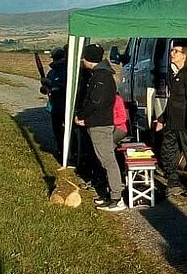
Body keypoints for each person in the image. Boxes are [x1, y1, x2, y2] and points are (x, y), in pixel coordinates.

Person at [73, 44, 126, 212]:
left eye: (83, 58)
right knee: (105, 160)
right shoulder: (102, 75)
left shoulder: (101, 77)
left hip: (100, 125)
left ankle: (117, 199)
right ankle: (111, 195)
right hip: (98, 124)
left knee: (108, 161)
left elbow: (95, 102)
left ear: (89, 59)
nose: (81, 60)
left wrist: (82, 116)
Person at [154, 42, 187, 194]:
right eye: (172, 50)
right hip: (172, 121)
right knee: (167, 152)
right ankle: (173, 183)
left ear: (185, 55)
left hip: (185, 122)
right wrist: (161, 119)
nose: (172, 53)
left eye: (176, 51)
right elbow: (172, 101)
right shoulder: (176, 75)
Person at [41, 47, 69, 158]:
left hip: (65, 105)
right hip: (55, 106)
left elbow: (65, 86)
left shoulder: (67, 71)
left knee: (65, 131)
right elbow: (44, 90)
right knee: (57, 131)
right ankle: (61, 151)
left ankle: (67, 152)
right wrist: (45, 87)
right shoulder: (52, 72)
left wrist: (51, 83)